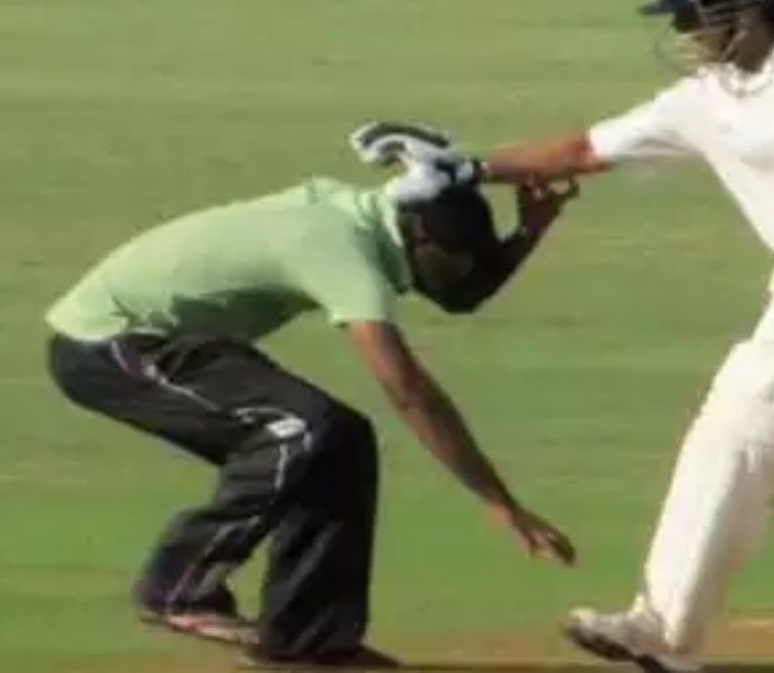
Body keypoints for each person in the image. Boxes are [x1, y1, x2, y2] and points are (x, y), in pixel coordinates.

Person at [457, 0, 774, 672]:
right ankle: (663, 632)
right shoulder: (707, 100)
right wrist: (465, 167)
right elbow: (582, 152)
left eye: (687, 15)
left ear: (742, 7)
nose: (680, 34)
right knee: (731, 435)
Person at [44, 124, 578, 668]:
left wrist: (529, 232)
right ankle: (177, 588)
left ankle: (311, 642)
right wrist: (496, 500)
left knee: (341, 441)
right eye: (455, 261)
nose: (460, 276)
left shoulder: (372, 222)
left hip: (171, 341)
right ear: (419, 238)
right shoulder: (336, 248)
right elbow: (410, 393)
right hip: (108, 345)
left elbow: (458, 296)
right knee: (300, 428)